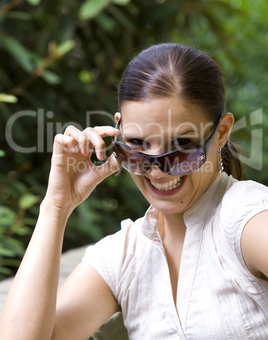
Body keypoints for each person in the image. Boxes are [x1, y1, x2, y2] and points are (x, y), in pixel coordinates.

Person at [0, 43, 268, 340]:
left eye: (181, 146)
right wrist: (56, 206)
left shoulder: (246, 218)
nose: (157, 169)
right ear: (118, 130)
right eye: (137, 147)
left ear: (221, 132)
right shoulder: (124, 255)